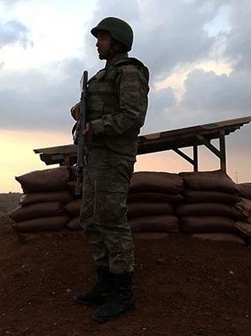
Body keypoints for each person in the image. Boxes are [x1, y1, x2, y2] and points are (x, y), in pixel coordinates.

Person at [69, 17, 150, 323]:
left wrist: (96, 126)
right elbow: (100, 107)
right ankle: (105, 284)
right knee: (90, 219)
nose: (97, 43)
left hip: (114, 159)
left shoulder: (129, 73)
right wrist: (81, 109)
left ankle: (122, 293)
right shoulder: (104, 75)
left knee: (112, 221)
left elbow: (132, 117)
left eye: (102, 38)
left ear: (116, 41)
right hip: (96, 158)